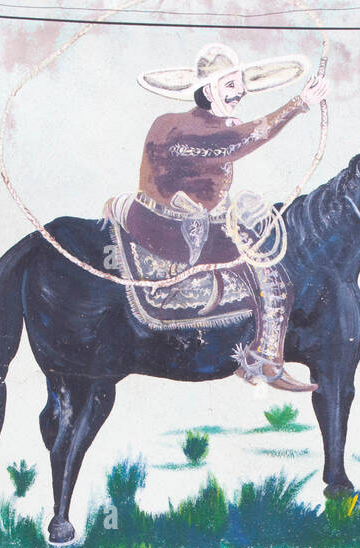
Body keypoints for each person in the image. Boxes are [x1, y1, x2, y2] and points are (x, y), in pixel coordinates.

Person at [129, 43, 328, 391]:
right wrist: (300, 104)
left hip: (166, 218)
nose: (241, 93)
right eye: (232, 86)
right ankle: (266, 363)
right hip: (172, 228)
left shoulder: (193, 124)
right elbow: (240, 140)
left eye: (241, 85)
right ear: (209, 90)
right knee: (270, 273)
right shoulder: (185, 129)